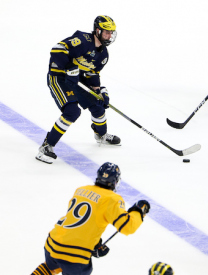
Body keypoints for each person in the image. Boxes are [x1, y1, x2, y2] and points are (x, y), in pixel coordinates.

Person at [31, 162, 150, 275]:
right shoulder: (112, 199)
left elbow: (80, 222)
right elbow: (127, 227)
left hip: (52, 242)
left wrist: (94, 243)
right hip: (74, 255)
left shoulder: (81, 190)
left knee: (50, 267)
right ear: (115, 181)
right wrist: (138, 211)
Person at [36, 15, 121, 164]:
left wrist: (99, 92)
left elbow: (92, 73)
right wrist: (68, 67)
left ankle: (101, 135)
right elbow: (57, 49)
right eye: (107, 32)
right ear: (97, 31)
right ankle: (46, 146)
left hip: (77, 80)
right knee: (72, 112)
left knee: (98, 105)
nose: (109, 35)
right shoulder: (83, 40)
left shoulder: (103, 55)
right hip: (59, 78)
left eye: (111, 32)